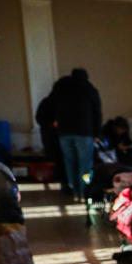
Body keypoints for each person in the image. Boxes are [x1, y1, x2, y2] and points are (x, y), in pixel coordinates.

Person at [52, 68, 102, 199]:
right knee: (84, 164)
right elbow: (97, 113)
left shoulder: (62, 88)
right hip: (84, 132)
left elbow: (52, 106)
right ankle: (84, 192)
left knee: (70, 163)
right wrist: (97, 133)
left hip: (64, 132)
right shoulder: (90, 89)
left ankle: (74, 191)